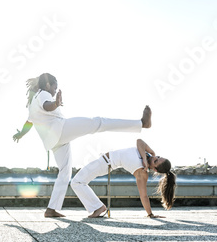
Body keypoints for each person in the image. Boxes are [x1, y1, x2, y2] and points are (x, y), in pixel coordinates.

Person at [13, 73, 152, 218]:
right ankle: (141, 123)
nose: (55, 91)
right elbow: (47, 106)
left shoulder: (33, 101)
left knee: (65, 173)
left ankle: (53, 209)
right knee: (98, 123)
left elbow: (29, 122)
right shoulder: (43, 95)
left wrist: (20, 134)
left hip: (54, 142)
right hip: (61, 130)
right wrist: (55, 103)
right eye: (55, 87)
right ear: (48, 85)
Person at [71, 139, 176, 218]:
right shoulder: (147, 155)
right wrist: (146, 157)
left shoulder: (142, 172)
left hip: (105, 164)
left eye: (156, 161)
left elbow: (143, 196)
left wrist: (150, 214)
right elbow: (139, 141)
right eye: (158, 157)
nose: (155, 157)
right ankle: (98, 207)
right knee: (78, 182)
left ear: (155, 170)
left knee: (77, 182)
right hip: (102, 160)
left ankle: (98, 207)